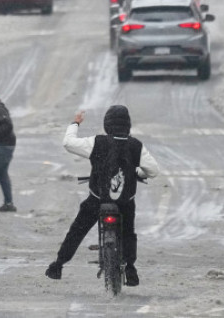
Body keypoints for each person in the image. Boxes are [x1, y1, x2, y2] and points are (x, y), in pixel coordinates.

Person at [45, 105, 159, 287]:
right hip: (124, 203)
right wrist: (138, 174)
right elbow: (153, 171)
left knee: (78, 230)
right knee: (128, 232)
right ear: (128, 125)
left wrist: (75, 123)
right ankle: (130, 268)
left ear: (107, 124)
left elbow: (68, 143)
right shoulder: (136, 146)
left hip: (98, 200)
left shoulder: (97, 143)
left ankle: (58, 265)